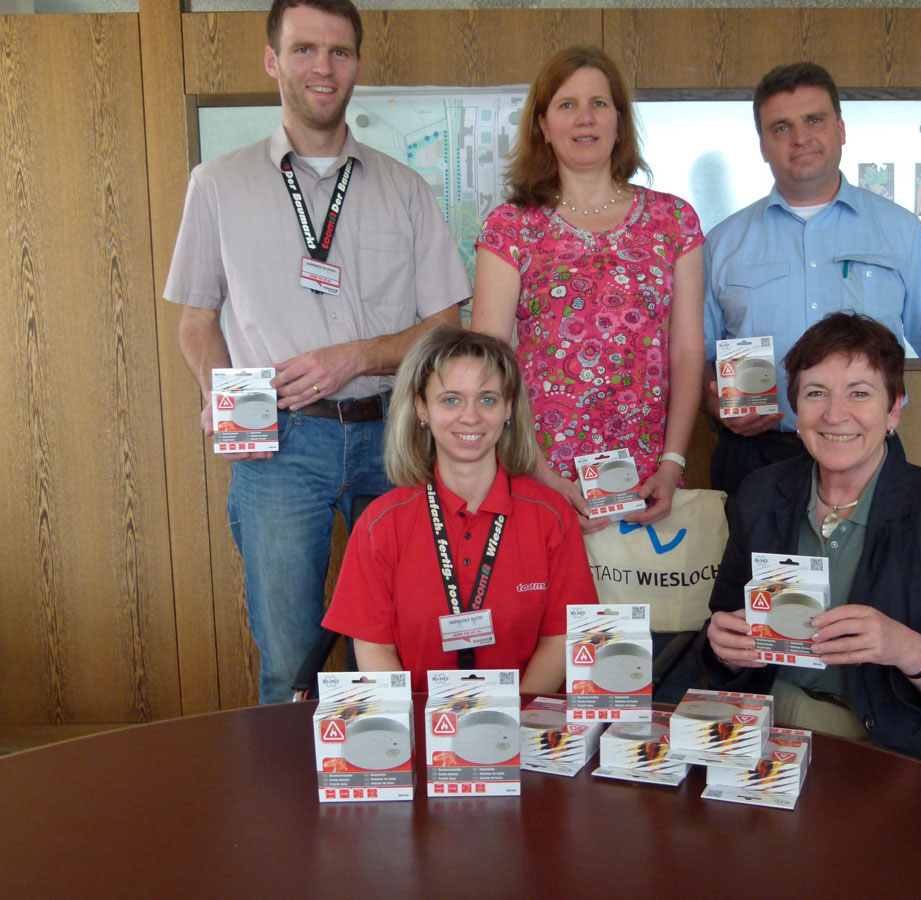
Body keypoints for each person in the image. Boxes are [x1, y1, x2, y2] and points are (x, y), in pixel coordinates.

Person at [163, 0, 470, 704]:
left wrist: (356, 356)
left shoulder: (406, 188)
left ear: (357, 64)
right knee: (289, 656)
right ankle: (286, 808)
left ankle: (397, 795)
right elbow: (195, 322)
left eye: (338, 52)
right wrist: (220, 393)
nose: (322, 68)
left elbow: (445, 326)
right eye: (304, 50)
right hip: (277, 446)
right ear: (272, 60)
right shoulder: (217, 184)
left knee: (401, 640)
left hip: (395, 438)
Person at [700, 313, 921, 774]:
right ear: (795, 410)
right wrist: (722, 645)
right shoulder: (761, 495)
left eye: (859, 393)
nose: (835, 414)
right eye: (815, 393)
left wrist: (908, 649)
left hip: (887, 739)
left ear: (894, 409)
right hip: (767, 728)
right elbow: (723, 627)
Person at [703, 61, 921, 497]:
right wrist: (715, 404)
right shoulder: (722, 243)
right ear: (762, 145)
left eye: (814, 120)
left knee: (872, 568)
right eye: (781, 127)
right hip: (758, 459)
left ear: (841, 129)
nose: (801, 138)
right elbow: (694, 360)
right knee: (764, 570)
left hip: (869, 456)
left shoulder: (900, 231)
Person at [472, 45, 705, 533]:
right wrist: (536, 471)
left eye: (599, 103)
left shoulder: (674, 220)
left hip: (645, 478)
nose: (585, 118)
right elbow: (490, 364)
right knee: (546, 609)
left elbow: (686, 352)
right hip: (542, 470)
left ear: (619, 120)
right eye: (566, 105)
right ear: (542, 124)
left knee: (644, 610)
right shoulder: (511, 227)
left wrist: (673, 463)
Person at [322, 328, 596, 692]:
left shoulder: (551, 516)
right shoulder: (381, 523)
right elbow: (374, 648)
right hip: (418, 731)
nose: (470, 417)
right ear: (422, 408)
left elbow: (561, 638)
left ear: (509, 407)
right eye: (451, 400)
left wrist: (510, 724)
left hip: (524, 728)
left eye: (487, 400)